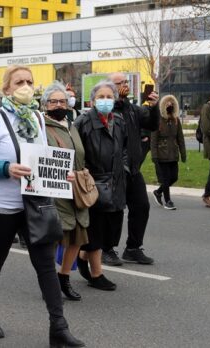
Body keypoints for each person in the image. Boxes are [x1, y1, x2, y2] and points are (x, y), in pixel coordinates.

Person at [0, 65, 84, 347]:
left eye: (30, 81)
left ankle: (59, 327)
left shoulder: (36, 117)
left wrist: (60, 172)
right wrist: (6, 168)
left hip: (34, 203)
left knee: (45, 264)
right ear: (6, 88)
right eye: (19, 81)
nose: (25, 86)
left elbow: (42, 156)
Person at [73, 80, 126, 292]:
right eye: (100, 97)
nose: (105, 101)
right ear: (92, 101)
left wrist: (126, 169)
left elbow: (126, 149)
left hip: (116, 184)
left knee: (110, 233)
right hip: (93, 184)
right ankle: (97, 274)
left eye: (109, 97)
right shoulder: (83, 122)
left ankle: (81, 255)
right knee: (96, 232)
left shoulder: (119, 121)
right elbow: (75, 152)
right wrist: (84, 178)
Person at [40, 81, 89, 301]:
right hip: (54, 190)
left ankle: (64, 277)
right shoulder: (40, 126)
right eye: (53, 101)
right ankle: (48, 282)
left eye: (63, 101)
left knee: (77, 237)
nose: (59, 104)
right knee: (55, 237)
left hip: (76, 189)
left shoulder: (71, 126)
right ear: (45, 104)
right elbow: (38, 159)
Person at [108, 72, 159, 266]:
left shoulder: (132, 109)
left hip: (133, 168)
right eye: (119, 83)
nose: (125, 85)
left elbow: (152, 124)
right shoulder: (107, 107)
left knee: (141, 206)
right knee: (115, 210)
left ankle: (133, 248)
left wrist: (154, 108)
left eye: (126, 82)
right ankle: (108, 248)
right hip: (114, 169)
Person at [150, 95, 186, 210]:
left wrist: (183, 153)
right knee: (165, 179)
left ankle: (158, 192)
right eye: (167, 103)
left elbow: (180, 138)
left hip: (173, 155)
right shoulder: (158, 120)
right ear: (163, 105)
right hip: (162, 155)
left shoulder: (176, 120)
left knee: (174, 177)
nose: (169, 105)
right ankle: (168, 201)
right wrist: (154, 156)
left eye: (172, 104)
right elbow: (154, 140)